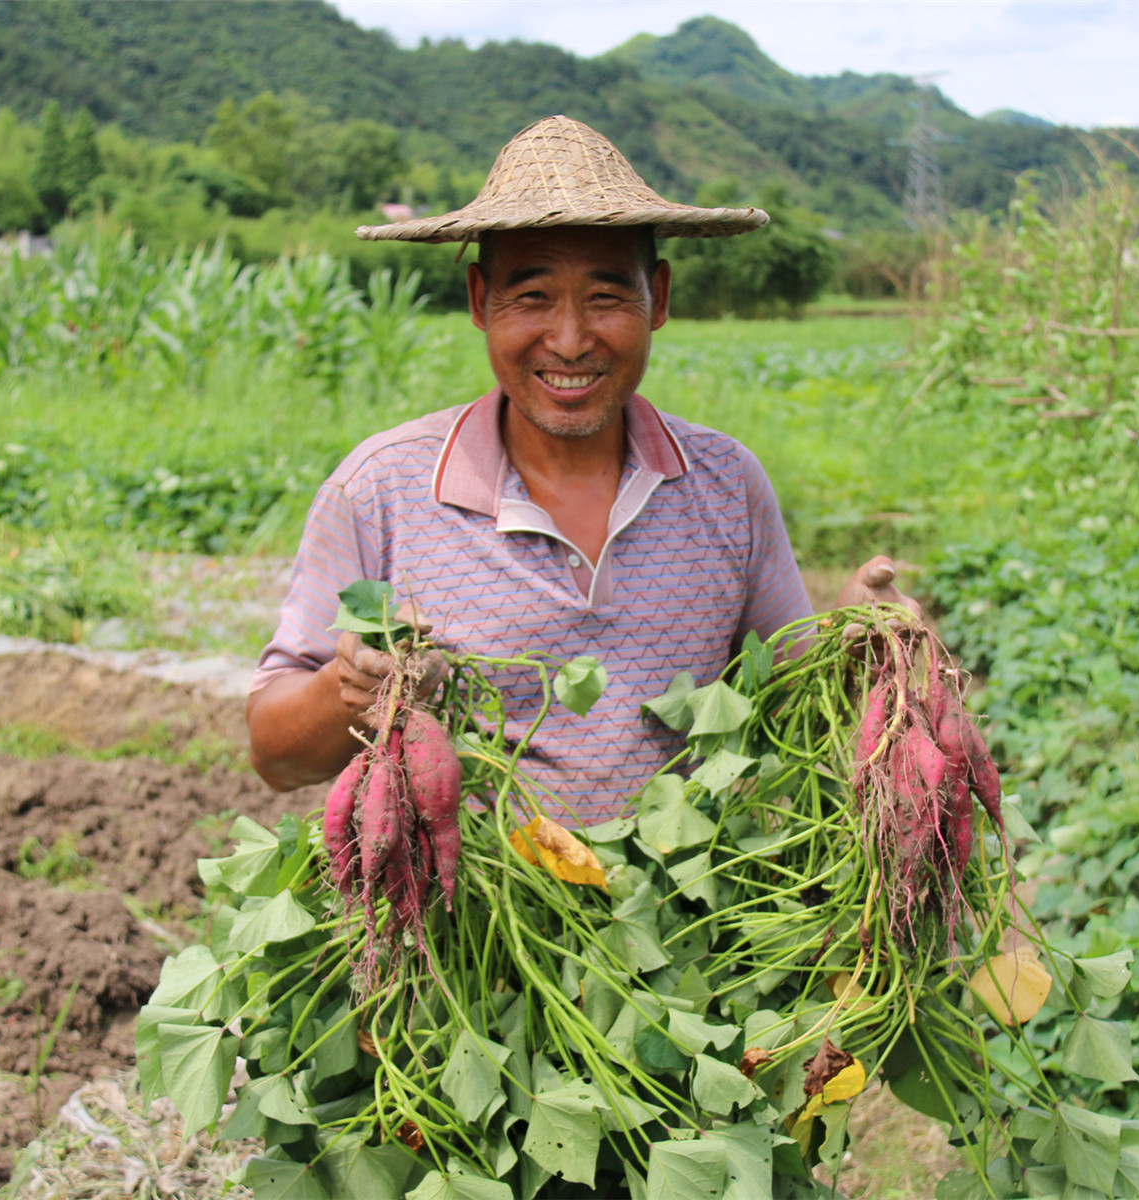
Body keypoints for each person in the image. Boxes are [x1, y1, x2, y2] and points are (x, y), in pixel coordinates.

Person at [247, 116, 918, 822]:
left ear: (657, 298)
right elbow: (275, 756)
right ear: (480, 301)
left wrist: (860, 650)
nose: (569, 341)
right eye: (532, 297)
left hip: (687, 919)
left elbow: (793, 725)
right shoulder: (382, 489)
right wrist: (349, 689)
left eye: (604, 298)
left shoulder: (726, 483)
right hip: (460, 925)